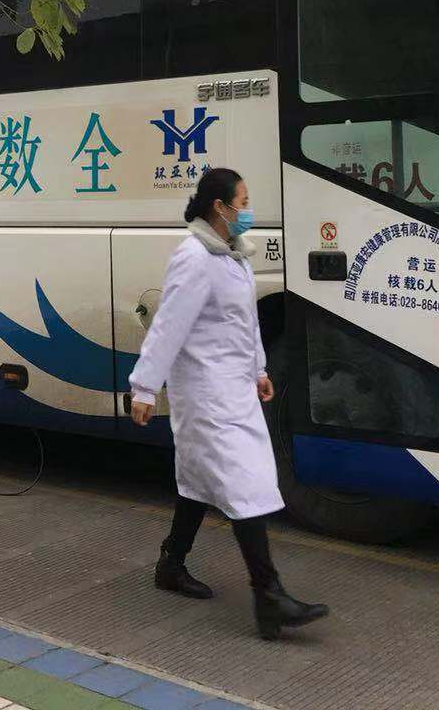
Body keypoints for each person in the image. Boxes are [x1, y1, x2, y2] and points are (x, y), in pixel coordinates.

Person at [128, 167, 329, 640]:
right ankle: (269, 596)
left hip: (233, 388)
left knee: (199, 480)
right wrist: (144, 387)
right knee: (244, 486)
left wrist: (259, 369)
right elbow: (168, 327)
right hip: (206, 394)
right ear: (219, 207)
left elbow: (244, 322)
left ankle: (171, 564)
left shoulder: (233, 255)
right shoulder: (195, 258)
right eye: (243, 201)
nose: (248, 210)